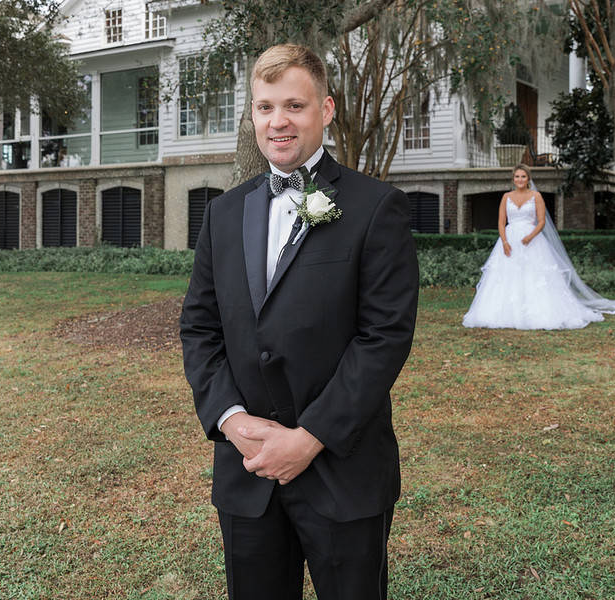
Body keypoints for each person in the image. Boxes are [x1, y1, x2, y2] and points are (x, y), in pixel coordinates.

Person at [180, 44, 419, 600]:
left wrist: (310, 438)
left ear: (326, 109)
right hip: (248, 470)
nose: (278, 121)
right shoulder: (222, 213)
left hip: (343, 472)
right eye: (265, 107)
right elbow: (200, 327)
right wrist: (232, 421)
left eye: (294, 105)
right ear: (252, 115)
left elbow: (384, 336)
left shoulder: (376, 207)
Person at [463, 164, 615, 330]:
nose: (520, 179)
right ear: (513, 179)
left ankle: (538, 312)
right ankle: (504, 313)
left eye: (523, 176)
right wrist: (505, 242)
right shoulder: (506, 197)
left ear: (528, 179)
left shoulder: (536, 196)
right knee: (506, 276)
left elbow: (541, 221)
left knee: (535, 275)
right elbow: (501, 222)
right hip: (510, 240)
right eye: (517, 176)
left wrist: (530, 236)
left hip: (532, 240)